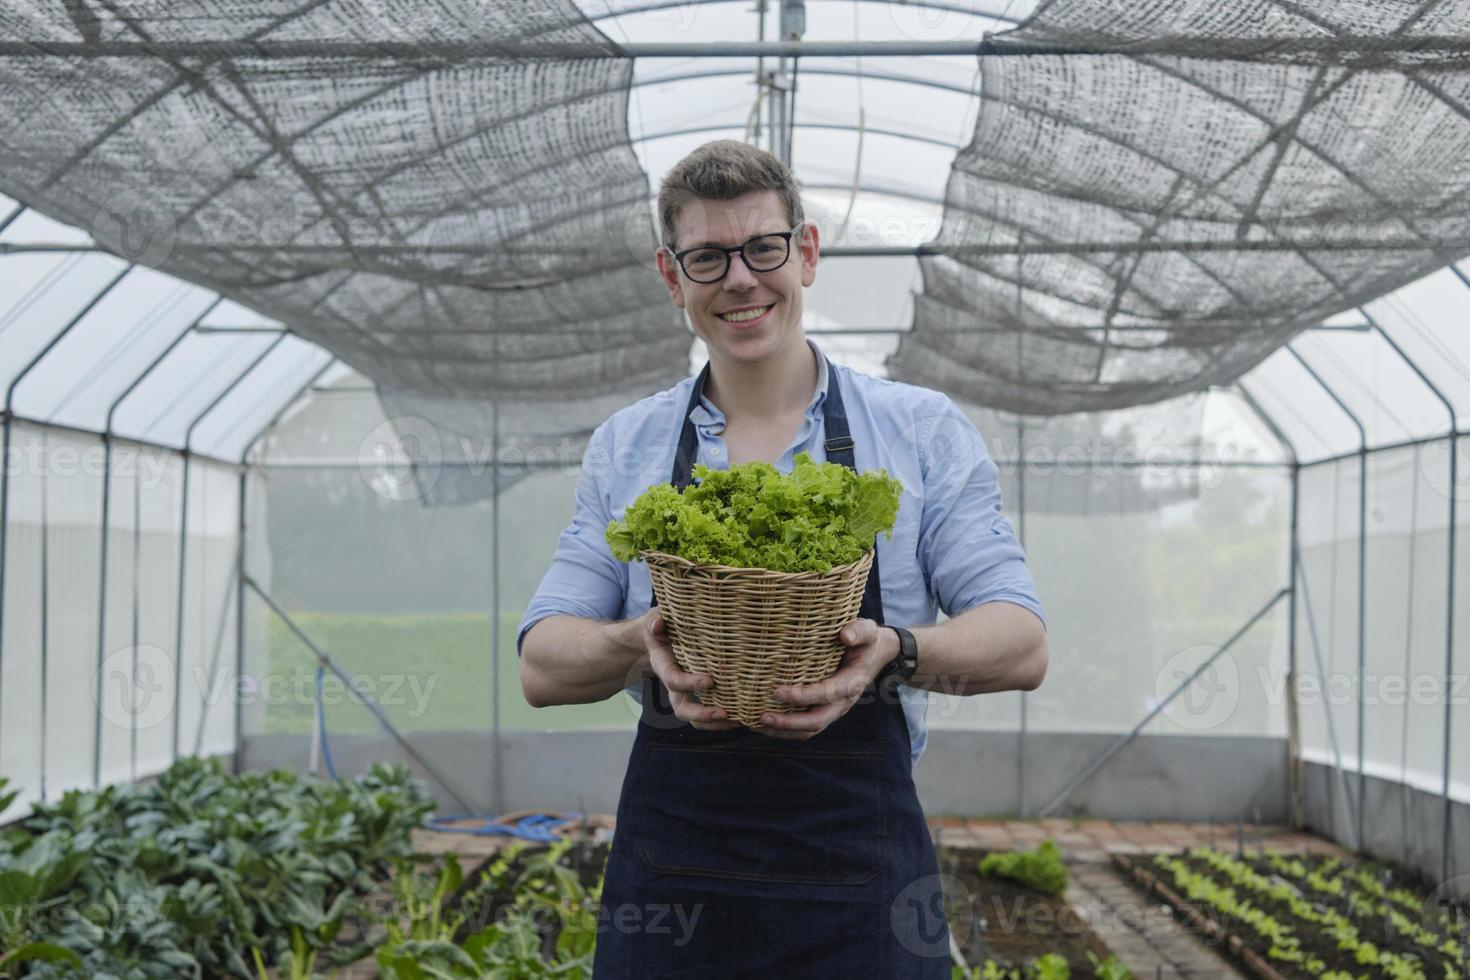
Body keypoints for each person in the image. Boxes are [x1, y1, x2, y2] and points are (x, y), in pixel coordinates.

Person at [517, 139, 1047, 978]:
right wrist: (634, 642)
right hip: (676, 884)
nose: (739, 278)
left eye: (763, 247)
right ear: (671, 277)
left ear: (805, 252)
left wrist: (900, 650)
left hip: (858, 882)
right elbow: (543, 665)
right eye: (706, 257)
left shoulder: (918, 430)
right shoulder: (630, 447)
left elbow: (1021, 642)